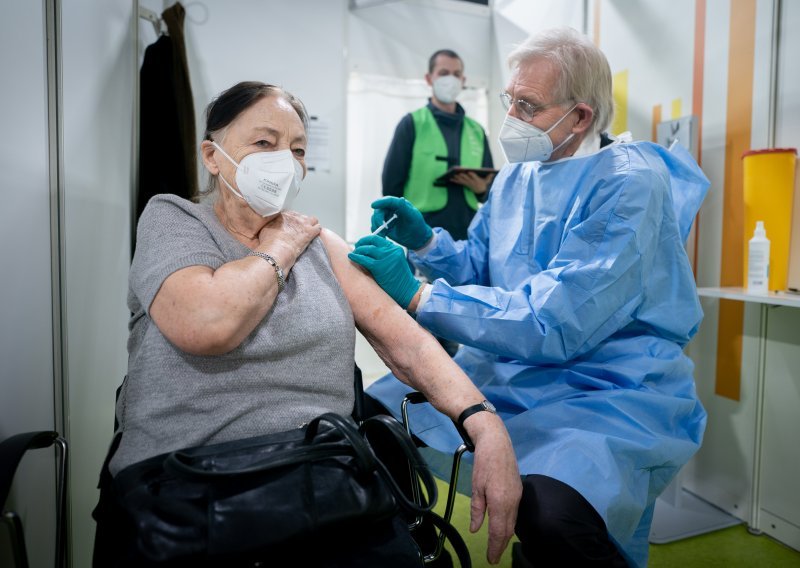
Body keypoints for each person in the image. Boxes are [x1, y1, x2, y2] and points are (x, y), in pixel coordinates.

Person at [92, 81, 521, 567]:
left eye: (297, 149)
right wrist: (281, 243)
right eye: (263, 143)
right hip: (186, 488)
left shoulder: (321, 244)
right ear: (212, 156)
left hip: (321, 481)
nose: (285, 160)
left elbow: (411, 347)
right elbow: (208, 324)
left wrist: (484, 425)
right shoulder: (174, 220)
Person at [349, 28, 710, 568]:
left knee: (555, 517)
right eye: (509, 101)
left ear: (581, 116)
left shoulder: (629, 185)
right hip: (512, 369)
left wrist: (418, 294)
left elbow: (555, 320)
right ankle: (410, 547)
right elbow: (483, 268)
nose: (511, 118)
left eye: (528, 105)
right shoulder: (519, 174)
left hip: (607, 387)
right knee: (371, 423)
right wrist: (425, 241)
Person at [382, 49, 495, 242]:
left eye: (456, 74)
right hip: (421, 232)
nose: (450, 79)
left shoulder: (477, 131)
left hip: (466, 235)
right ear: (429, 78)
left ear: (463, 80)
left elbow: (492, 191)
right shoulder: (412, 124)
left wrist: (481, 190)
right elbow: (391, 185)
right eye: (443, 73)